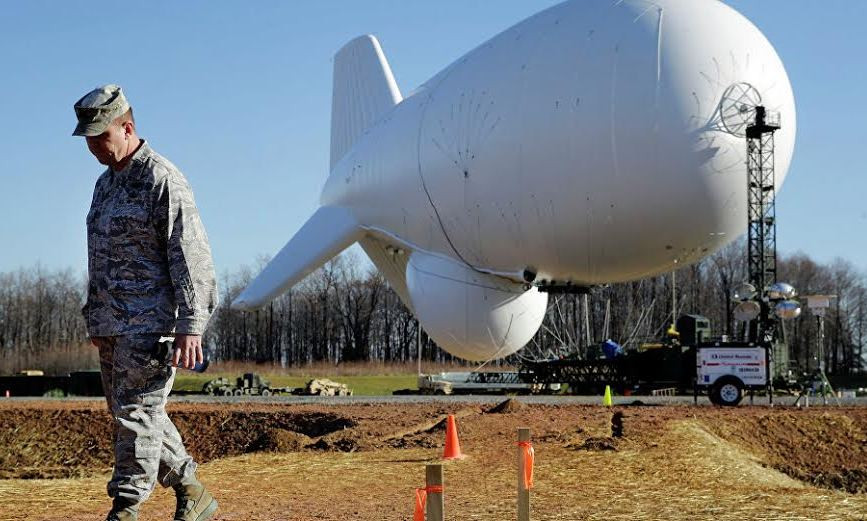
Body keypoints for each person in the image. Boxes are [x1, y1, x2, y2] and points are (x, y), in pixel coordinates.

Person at [74, 84, 219, 521]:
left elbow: (190, 253)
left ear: (127, 127)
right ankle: (193, 491)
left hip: (151, 323)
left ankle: (126, 508)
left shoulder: (162, 178)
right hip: (113, 324)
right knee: (133, 414)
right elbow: (99, 254)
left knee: (136, 415)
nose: (95, 147)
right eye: (89, 140)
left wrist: (191, 324)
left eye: (102, 136)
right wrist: (96, 318)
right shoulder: (105, 185)